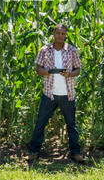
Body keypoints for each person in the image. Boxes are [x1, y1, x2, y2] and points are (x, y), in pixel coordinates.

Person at [28, 24, 84, 163]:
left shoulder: (72, 50)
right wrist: (47, 71)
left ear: (66, 35)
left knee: (71, 125)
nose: (60, 35)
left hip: (68, 94)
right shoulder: (44, 50)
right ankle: (33, 151)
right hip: (50, 94)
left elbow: (78, 70)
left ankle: (75, 152)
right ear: (53, 33)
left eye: (63, 33)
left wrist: (69, 74)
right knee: (40, 122)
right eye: (58, 33)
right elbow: (38, 69)